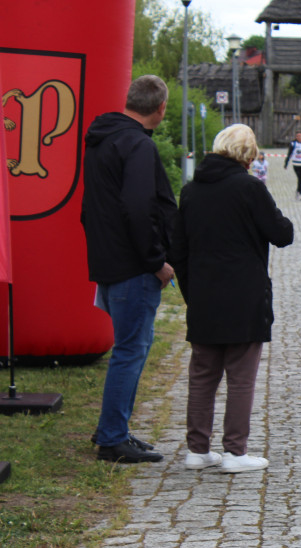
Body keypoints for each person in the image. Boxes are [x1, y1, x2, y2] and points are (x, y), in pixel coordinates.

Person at [169, 124, 294, 473]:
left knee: (203, 374)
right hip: (244, 296)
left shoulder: (191, 190)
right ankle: (235, 452)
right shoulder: (250, 188)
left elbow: (177, 249)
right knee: (240, 376)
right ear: (249, 156)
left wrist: (191, 291)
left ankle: (197, 449)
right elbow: (281, 234)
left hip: (204, 296)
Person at [82, 74, 177, 464]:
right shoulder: (137, 144)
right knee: (130, 350)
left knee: (130, 348)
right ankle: (112, 439)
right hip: (134, 266)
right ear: (161, 108)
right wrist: (157, 262)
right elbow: (138, 209)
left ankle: (115, 429)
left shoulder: (103, 139)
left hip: (109, 259)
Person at [283, 130, 301, 200]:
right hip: (296, 163)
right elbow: (289, 154)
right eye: (297, 136)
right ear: (296, 137)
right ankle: (300, 192)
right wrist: (286, 163)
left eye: (300, 136)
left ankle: (299, 192)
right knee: (299, 178)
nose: (299, 137)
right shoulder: (293, 144)